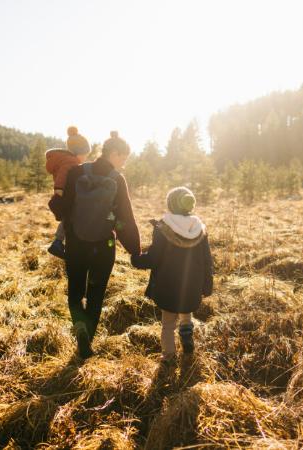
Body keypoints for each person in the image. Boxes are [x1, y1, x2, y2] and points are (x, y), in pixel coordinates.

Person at [49, 131, 140, 359]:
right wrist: (135, 251)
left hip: (76, 245)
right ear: (114, 153)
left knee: (75, 292)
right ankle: (86, 340)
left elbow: (62, 210)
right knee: (96, 295)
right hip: (104, 247)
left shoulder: (77, 172)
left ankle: (79, 327)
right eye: (123, 157)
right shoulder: (117, 180)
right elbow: (124, 219)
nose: (124, 162)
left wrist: (57, 201)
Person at [131, 186, 213, 363]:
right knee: (186, 313)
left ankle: (168, 356)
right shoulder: (199, 229)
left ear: (171, 204)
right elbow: (207, 260)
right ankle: (187, 339)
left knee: (168, 325)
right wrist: (207, 285)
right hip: (191, 285)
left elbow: (154, 257)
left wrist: (137, 260)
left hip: (167, 284)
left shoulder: (163, 227)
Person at [45, 126, 91, 258]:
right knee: (69, 216)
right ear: (78, 153)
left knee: (68, 217)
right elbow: (63, 175)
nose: (85, 157)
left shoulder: (68, 160)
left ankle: (58, 242)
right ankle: (57, 243)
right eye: (85, 154)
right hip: (65, 194)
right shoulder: (70, 161)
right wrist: (58, 191)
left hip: (66, 193)